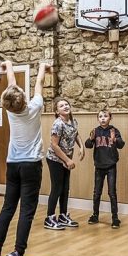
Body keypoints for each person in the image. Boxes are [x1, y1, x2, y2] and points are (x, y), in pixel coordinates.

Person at [0, 60, 52, 256]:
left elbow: (12, 84)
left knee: (8, 208)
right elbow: (39, 84)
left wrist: (8, 65)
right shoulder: (34, 107)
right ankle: (18, 254)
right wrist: (43, 66)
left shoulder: (10, 112)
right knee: (26, 211)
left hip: (13, 165)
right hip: (31, 166)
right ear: (23, 99)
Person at [44, 97, 85, 230]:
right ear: (57, 111)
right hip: (55, 159)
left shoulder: (73, 121)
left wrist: (82, 147)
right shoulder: (58, 124)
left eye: (66, 104)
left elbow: (76, 133)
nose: (65, 107)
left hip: (67, 159)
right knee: (57, 188)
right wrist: (66, 160)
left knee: (65, 188)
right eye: (61, 106)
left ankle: (62, 215)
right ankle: (49, 218)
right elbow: (54, 145)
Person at [85, 109, 125, 228]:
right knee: (97, 192)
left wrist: (115, 139)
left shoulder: (114, 130)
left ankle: (115, 218)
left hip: (111, 166)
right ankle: (95, 215)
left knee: (112, 192)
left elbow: (121, 145)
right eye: (100, 116)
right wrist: (91, 139)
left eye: (105, 116)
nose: (103, 118)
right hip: (99, 166)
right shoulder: (95, 131)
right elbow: (88, 145)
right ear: (98, 119)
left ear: (110, 118)